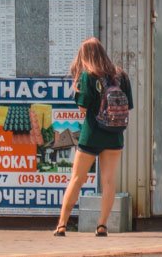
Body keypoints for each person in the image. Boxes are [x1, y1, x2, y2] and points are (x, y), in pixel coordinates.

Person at [54, 37, 133, 237]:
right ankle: (102, 226)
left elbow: (83, 107)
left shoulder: (88, 76)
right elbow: (129, 106)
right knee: (108, 182)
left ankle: (62, 224)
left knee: (77, 179)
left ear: (86, 56)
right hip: (114, 136)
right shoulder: (121, 76)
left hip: (91, 135)